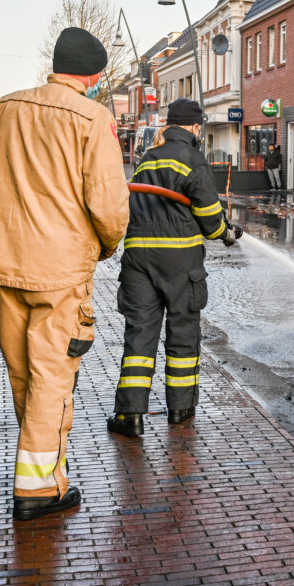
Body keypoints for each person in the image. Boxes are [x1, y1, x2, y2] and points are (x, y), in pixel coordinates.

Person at [0, 27, 129, 521]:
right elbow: (109, 204)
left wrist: (6, 214)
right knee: (52, 378)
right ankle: (36, 490)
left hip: (2, 265)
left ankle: (47, 474)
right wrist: (106, 245)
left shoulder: (5, 107)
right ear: (93, 75)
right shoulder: (93, 117)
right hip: (59, 271)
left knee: (24, 376)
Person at [107, 98, 243, 438]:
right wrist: (227, 233)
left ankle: (130, 416)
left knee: (139, 336)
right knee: (182, 336)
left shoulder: (146, 159)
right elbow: (211, 222)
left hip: (138, 259)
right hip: (180, 261)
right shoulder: (194, 159)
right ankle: (180, 410)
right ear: (196, 127)